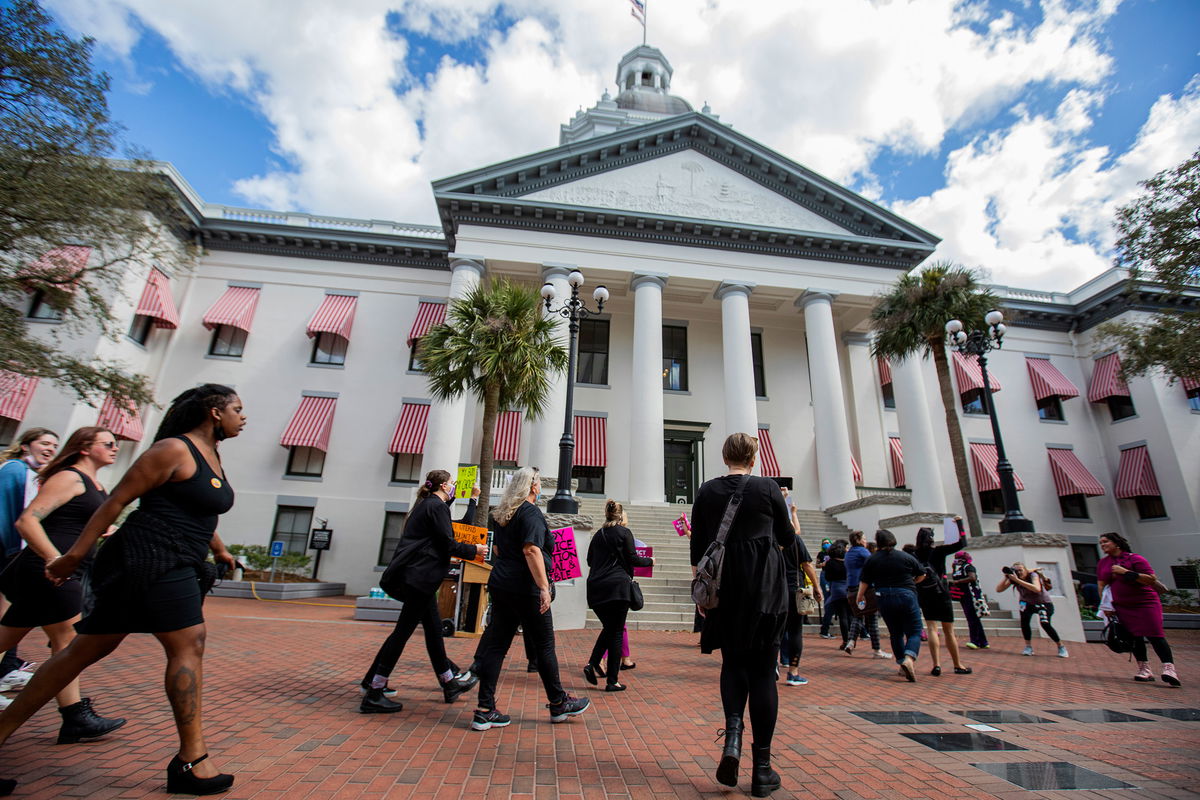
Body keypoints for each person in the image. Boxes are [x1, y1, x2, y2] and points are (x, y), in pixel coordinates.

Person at [0, 384, 245, 797]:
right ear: (214, 412)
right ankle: (192, 759)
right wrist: (73, 557)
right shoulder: (172, 450)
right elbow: (113, 503)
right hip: (150, 557)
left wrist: (219, 550)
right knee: (189, 643)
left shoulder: (210, 456)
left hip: (174, 557)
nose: (244, 416)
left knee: (82, 650)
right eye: (238, 409)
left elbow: (200, 511)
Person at [2, 427, 126, 744]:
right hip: (50, 570)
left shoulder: (95, 483)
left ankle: (74, 717)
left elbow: (76, 521)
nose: (115, 448)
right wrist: (55, 559)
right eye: (108, 443)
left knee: (50, 642)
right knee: (69, 643)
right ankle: (74, 717)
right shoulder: (70, 477)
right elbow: (27, 520)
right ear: (85, 447)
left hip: (67, 570)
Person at [690, 433, 793, 797]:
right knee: (764, 672)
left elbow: (698, 544)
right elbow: (787, 536)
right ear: (753, 458)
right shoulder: (768, 488)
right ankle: (762, 770)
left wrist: (702, 595)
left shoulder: (706, 491)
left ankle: (732, 736)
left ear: (724, 456)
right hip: (765, 586)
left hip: (726, 586)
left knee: (733, 664)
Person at [470, 467, 589, 730]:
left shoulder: (502, 515)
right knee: (545, 645)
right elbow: (531, 550)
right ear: (533, 486)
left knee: (496, 646)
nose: (539, 485)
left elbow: (499, 550)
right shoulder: (531, 513)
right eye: (537, 482)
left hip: (502, 585)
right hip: (527, 588)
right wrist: (544, 587)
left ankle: (485, 709)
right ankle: (558, 703)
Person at [360, 470, 485, 712]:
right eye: (450, 484)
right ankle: (374, 690)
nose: (452, 487)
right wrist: (474, 551)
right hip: (421, 579)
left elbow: (449, 523)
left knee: (433, 632)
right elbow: (447, 542)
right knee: (403, 634)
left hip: (420, 579)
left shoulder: (427, 505)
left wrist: (466, 497)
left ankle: (448, 683)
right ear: (442, 485)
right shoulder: (435, 508)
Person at [0, 428, 59, 702]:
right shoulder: (14, 470)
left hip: (15, 554)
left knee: (11, 616)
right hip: (8, 552)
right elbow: (11, 515)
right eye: (44, 443)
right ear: (25, 446)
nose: (50, 448)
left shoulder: (33, 476)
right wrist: (15, 552)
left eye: (54, 445)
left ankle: (8, 668)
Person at [584, 500, 653, 692]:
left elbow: (590, 560)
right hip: (617, 588)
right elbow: (633, 558)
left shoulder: (598, 535)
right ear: (621, 516)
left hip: (596, 588)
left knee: (610, 628)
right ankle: (612, 680)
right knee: (615, 633)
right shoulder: (624, 533)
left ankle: (593, 664)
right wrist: (650, 560)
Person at [1096, 532, 1178, 686]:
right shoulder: (1103, 563)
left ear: (1117, 543)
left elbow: (1150, 578)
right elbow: (1101, 585)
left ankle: (1169, 668)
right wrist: (1105, 605)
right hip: (1121, 605)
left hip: (1144, 602)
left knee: (1155, 634)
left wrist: (1126, 572)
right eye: (1100, 543)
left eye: (1106, 541)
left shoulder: (1135, 559)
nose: (1102, 545)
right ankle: (1144, 668)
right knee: (1133, 636)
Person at [856, 529, 925, 682]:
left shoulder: (872, 559)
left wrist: (859, 596)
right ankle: (909, 658)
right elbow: (922, 573)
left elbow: (865, 580)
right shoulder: (905, 556)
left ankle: (901, 663)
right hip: (906, 593)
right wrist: (913, 582)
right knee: (914, 631)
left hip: (884, 596)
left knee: (895, 632)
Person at [912, 523, 971, 675]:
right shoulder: (938, 551)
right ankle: (957, 664)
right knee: (949, 631)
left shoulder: (914, 554)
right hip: (941, 591)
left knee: (931, 628)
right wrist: (959, 524)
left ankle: (936, 664)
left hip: (924, 593)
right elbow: (962, 543)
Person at [781, 501, 820, 687]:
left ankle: (771, 667)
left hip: (773, 590)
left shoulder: (769, 540)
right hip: (794, 588)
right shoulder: (795, 540)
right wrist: (817, 587)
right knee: (795, 631)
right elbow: (807, 565)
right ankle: (793, 671)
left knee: (774, 630)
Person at [996, 562, 1068, 659]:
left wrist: (1018, 580)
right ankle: (1028, 646)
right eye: (1016, 570)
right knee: (1024, 623)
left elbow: (1037, 589)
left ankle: (1061, 646)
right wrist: (1007, 577)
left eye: (1021, 570)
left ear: (1025, 570)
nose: (1019, 572)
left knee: (1045, 624)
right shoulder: (1014, 579)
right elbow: (999, 589)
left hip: (1042, 603)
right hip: (1026, 603)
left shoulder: (1033, 575)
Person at [844, 530, 886, 659]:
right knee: (872, 617)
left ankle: (851, 641)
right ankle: (877, 649)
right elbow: (874, 562)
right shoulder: (862, 551)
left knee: (858, 615)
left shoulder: (849, 553)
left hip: (851, 588)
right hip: (864, 589)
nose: (865, 541)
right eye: (864, 538)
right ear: (858, 540)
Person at [948, 551, 988, 650]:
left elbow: (972, 577)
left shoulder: (968, 567)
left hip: (971, 595)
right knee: (972, 618)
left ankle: (975, 641)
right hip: (963, 596)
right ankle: (983, 641)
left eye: (957, 558)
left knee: (973, 618)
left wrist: (957, 581)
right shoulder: (960, 569)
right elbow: (955, 577)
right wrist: (953, 568)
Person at [820, 540, 851, 648]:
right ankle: (852, 639)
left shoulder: (830, 563)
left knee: (843, 616)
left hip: (837, 590)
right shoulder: (848, 561)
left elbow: (827, 577)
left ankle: (845, 640)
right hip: (848, 589)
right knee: (850, 615)